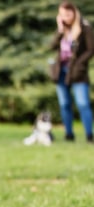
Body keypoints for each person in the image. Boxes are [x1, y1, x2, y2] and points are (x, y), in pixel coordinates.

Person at [50, 1, 94, 143]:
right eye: (62, 14)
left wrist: (80, 64)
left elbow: (91, 49)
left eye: (68, 14)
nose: (65, 17)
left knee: (83, 103)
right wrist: (60, 30)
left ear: (74, 13)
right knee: (64, 104)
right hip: (61, 71)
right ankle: (69, 134)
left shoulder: (84, 28)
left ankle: (89, 135)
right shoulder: (62, 30)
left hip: (78, 72)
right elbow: (52, 46)